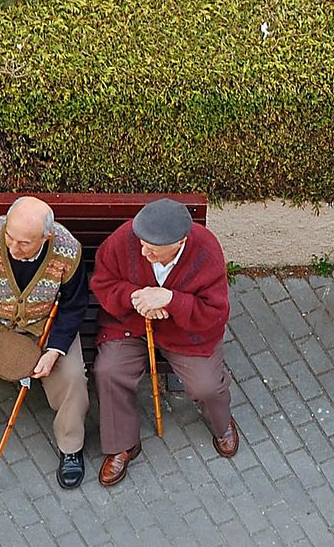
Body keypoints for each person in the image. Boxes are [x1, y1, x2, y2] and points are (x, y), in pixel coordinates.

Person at [91, 198, 237, 486]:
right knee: (108, 371)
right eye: (142, 243)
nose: (143, 251)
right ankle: (122, 444)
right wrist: (137, 297)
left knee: (206, 386)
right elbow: (103, 282)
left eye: (153, 249)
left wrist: (171, 300)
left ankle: (222, 424)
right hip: (131, 323)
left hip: (185, 332)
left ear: (180, 242)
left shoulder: (206, 251)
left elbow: (215, 312)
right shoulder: (126, 239)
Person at [0, 196, 89, 489]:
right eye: (9, 237)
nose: (13, 247)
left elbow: (74, 307)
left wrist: (53, 351)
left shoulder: (68, 249)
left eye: (24, 243)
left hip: (41, 329)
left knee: (73, 377)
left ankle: (71, 446)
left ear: (46, 237)